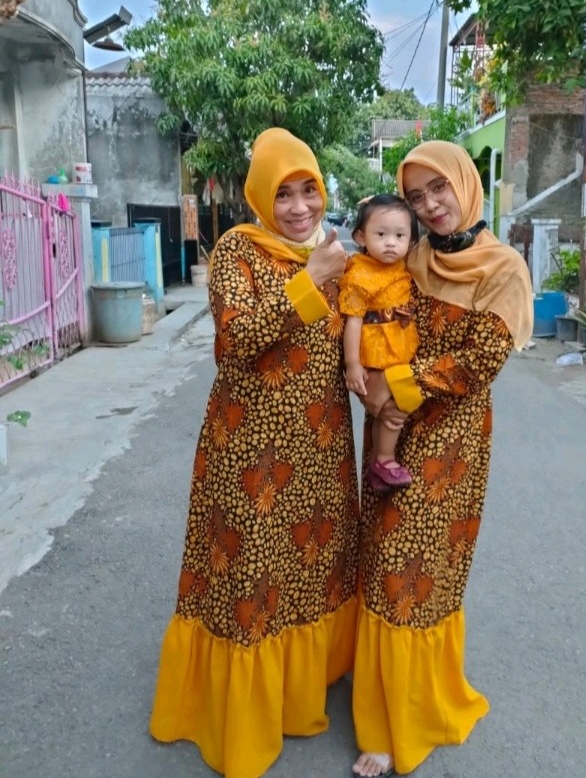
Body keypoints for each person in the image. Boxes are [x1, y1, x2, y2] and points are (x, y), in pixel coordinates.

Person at [149, 128, 360, 778]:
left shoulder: (335, 252)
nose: (299, 207)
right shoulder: (239, 249)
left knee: (309, 563)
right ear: (260, 197)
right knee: (249, 573)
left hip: (321, 443)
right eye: (284, 194)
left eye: (309, 191)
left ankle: (301, 690)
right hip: (249, 447)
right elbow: (239, 339)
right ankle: (242, 719)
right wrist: (313, 279)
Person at [351, 140, 534, 778]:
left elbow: (478, 362)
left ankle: (407, 717)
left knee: (416, 571)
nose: (430, 205)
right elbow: (368, 311)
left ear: (467, 184)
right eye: (417, 194)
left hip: (450, 443)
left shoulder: (502, 267)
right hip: (388, 431)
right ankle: (377, 709)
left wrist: (393, 386)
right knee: (379, 557)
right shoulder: (412, 255)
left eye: (440, 189)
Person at [339, 194, 420, 493]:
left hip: (399, 349)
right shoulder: (360, 274)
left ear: (411, 241)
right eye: (381, 234)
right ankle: (383, 461)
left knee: (403, 404)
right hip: (374, 353)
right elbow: (354, 321)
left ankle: (381, 460)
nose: (390, 243)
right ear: (361, 236)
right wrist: (352, 364)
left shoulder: (403, 267)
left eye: (399, 236)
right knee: (389, 407)